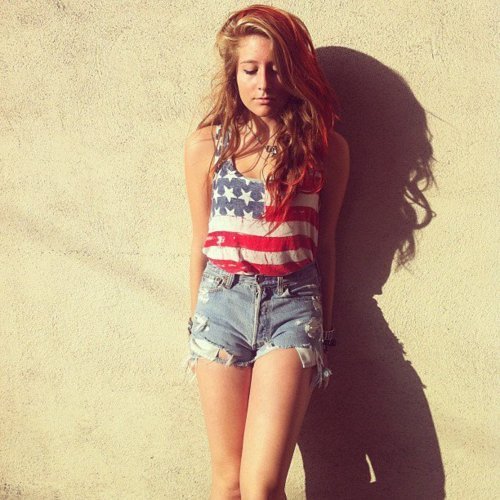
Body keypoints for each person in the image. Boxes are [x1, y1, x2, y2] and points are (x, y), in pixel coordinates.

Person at [181, 4, 350, 499]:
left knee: (262, 484)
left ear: (295, 72)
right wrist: (195, 322)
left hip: (292, 307)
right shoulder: (206, 146)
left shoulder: (326, 148)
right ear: (233, 73)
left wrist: (326, 329)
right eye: (250, 70)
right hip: (221, 305)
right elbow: (199, 240)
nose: (263, 84)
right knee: (229, 481)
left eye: (276, 69)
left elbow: (325, 243)